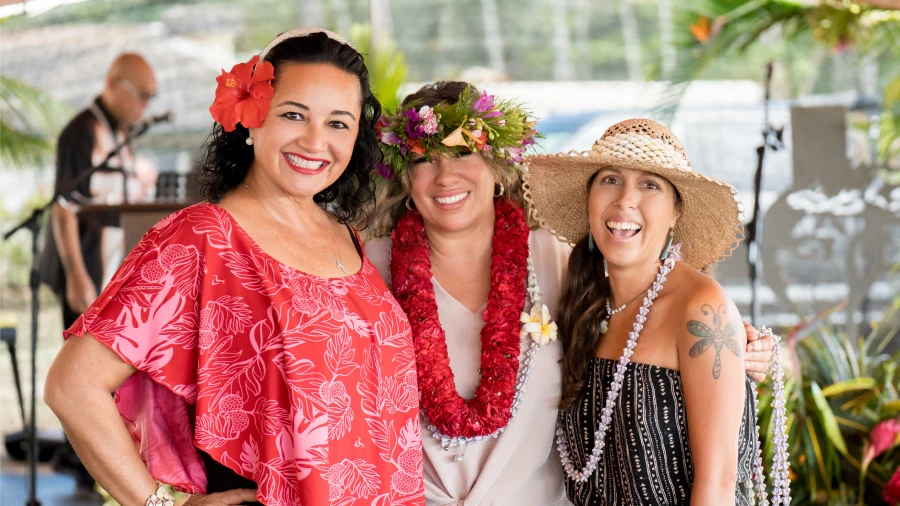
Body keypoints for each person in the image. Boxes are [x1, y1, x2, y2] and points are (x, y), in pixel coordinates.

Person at [44, 29, 425, 506]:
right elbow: (71, 386)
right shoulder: (200, 239)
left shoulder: (346, 235)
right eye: (293, 115)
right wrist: (160, 503)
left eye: (338, 123)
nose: (315, 141)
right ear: (251, 118)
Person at [366, 83, 776, 506]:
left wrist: (740, 345)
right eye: (424, 159)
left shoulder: (555, 262)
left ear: (497, 165)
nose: (445, 176)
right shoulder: (365, 275)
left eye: (463, 152)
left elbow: (675, 313)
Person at [525, 118, 789, 504]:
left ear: (676, 212)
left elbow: (716, 487)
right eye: (610, 180)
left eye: (650, 185)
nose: (625, 200)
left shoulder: (700, 309)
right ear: (589, 198)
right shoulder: (584, 304)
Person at [38, 52, 158, 491]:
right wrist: (76, 275)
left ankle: (105, 471)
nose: (146, 106)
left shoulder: (124, 134)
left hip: (111, 267)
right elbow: (64, 207)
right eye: (142, 95)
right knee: (81, 375)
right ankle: (85, 469)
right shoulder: (81, 130)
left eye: (151, 98)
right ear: (115, 84)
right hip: (83, 266)